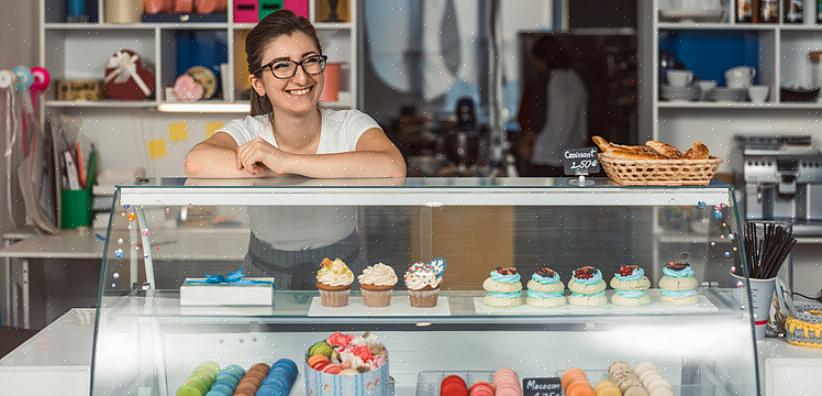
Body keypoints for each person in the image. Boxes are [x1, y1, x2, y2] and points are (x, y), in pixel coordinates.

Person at [183, 10, 406, 289]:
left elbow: (391, 166)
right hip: (265, 271)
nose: (301, 78)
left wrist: (283, 161)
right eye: (282, 66)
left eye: (310, 61)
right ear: (258, 83)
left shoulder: (350, 124)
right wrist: (283, 165)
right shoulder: (249, 131)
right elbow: (197, 162)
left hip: (344, 268)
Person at [517, 35, 588, 177]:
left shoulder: (546, 81)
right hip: (576, 157)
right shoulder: (577, 80)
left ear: (542, 59)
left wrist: (525, 143)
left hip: (547, 156)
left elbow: (537, 119)